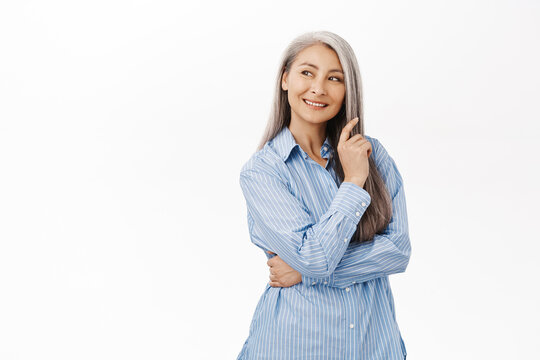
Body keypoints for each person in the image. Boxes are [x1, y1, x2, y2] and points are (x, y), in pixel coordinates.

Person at [237, 30, 411, 360]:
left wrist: (304, 273)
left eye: (334, 78)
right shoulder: (263, 172)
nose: (318, 88)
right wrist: (353, 181)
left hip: (374, 345)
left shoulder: (372, 155)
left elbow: (398, 252)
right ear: (285, 79)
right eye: (307, 72)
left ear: (348, 90)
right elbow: (316, 256)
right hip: (294, 344)